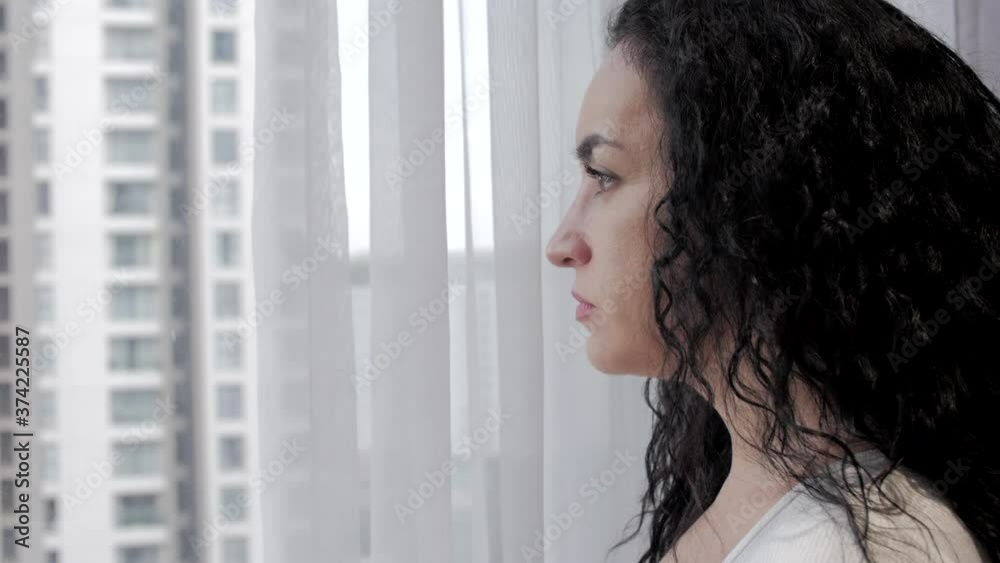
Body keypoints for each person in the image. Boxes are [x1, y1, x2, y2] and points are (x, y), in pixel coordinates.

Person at [545, 0, 1000, 561]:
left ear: (752, 205)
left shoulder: (853, 545)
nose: (561, 245)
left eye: (604, 176)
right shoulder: (782, 508)